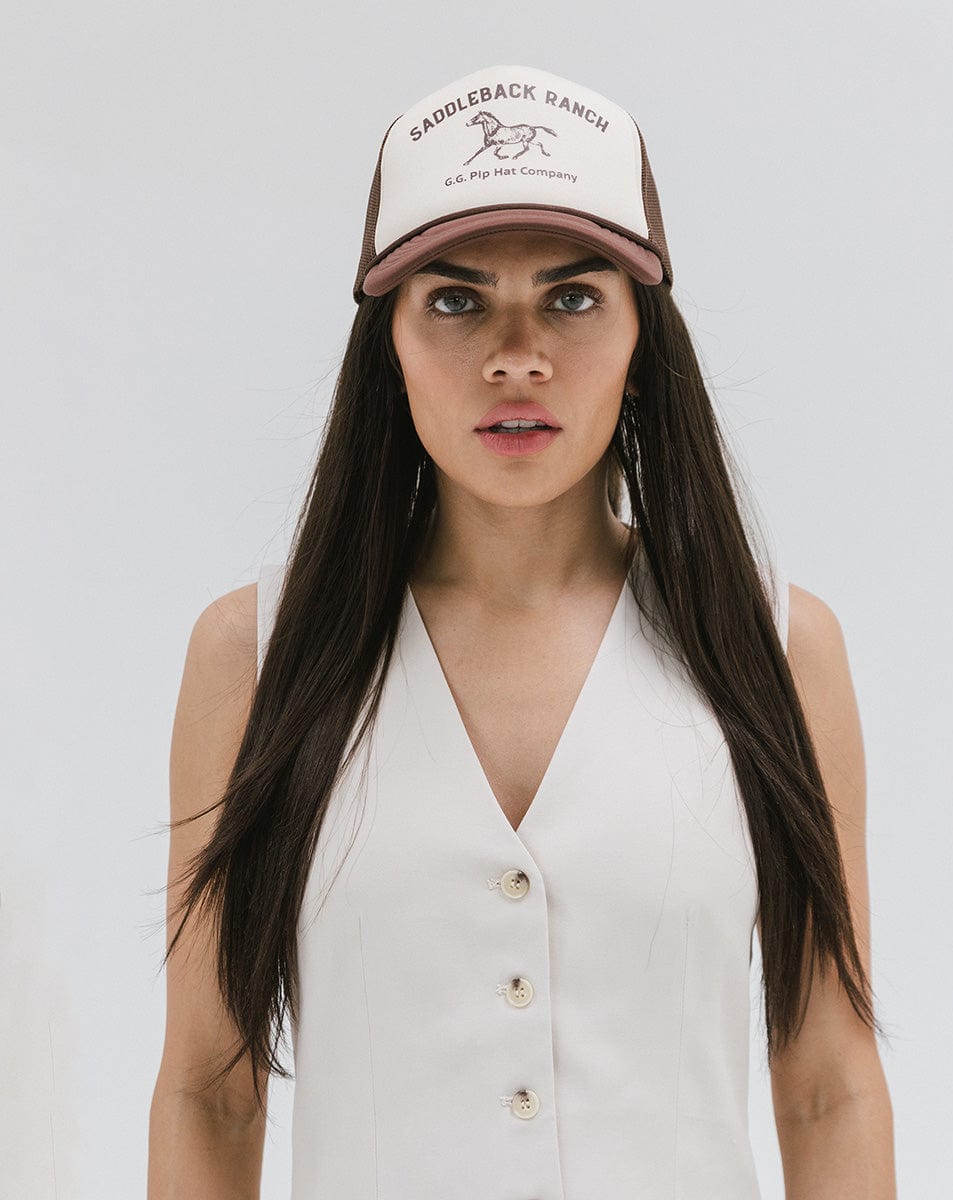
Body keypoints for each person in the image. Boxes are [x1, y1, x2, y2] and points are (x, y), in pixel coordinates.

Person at [147, 63, 896, 1199]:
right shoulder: (252, 657)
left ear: (646, 334)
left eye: (573, 295)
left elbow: (827, 1081)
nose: (516, 352)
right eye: (454, 299)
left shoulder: (778, 647)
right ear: (386, 343)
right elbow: (211, 1088)